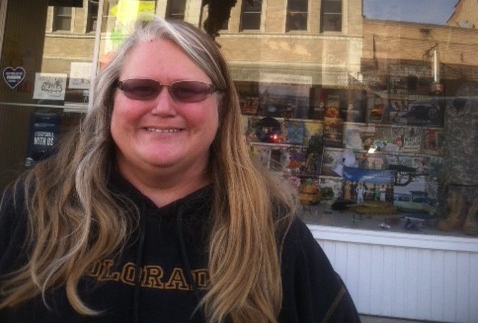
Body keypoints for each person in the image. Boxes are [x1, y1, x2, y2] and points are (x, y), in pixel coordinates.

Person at [0, 17, 361, 322]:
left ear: (222, 107)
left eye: (188, 90)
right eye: (141, 88)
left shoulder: (273, 228)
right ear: (111, 100)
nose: (162, 107)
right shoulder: (34, 206)